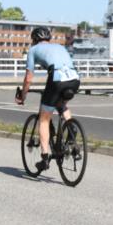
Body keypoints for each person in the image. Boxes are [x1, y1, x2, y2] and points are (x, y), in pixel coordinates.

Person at [15, 27, 80, 171]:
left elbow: (28, 78)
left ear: (34, 40)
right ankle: (70, 127)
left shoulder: (33, 50)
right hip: (74, 79)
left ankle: (45, 158)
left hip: (56, 79)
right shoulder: (59, 46)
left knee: (44, 119)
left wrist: (22, 95)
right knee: (61, 104)